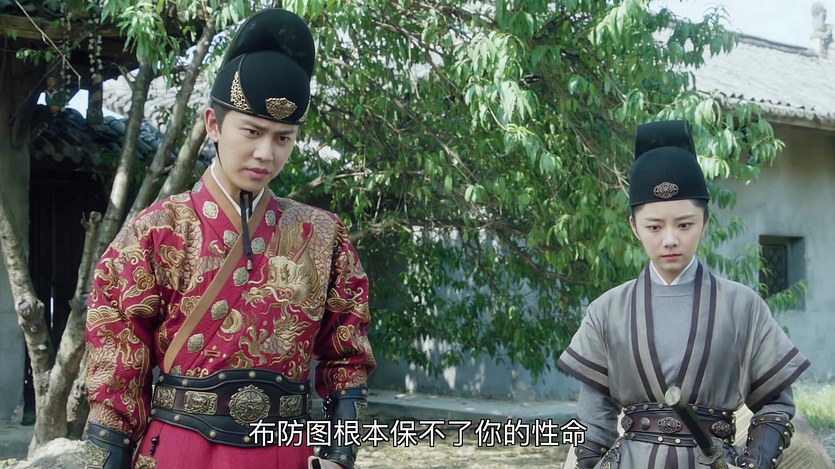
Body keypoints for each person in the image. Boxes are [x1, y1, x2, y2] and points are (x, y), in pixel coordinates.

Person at [83, 9, 375, 469]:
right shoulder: (156, 231)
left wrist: (341, 454)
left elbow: (348, 358)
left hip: (286, 452)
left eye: (283, 138)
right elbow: (116, 370)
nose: (265, 153)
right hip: (179, 451)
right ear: (214, 124)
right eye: (252, 132)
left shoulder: (322, 236)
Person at [557, 120, 810, 469]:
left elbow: (776, 404)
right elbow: (593, 421)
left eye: (685, 224)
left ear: (705, 222)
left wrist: (755, 464)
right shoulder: (607, 310)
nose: (670, 239)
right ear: (634, 227)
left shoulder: (742, 306)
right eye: (654, 226)